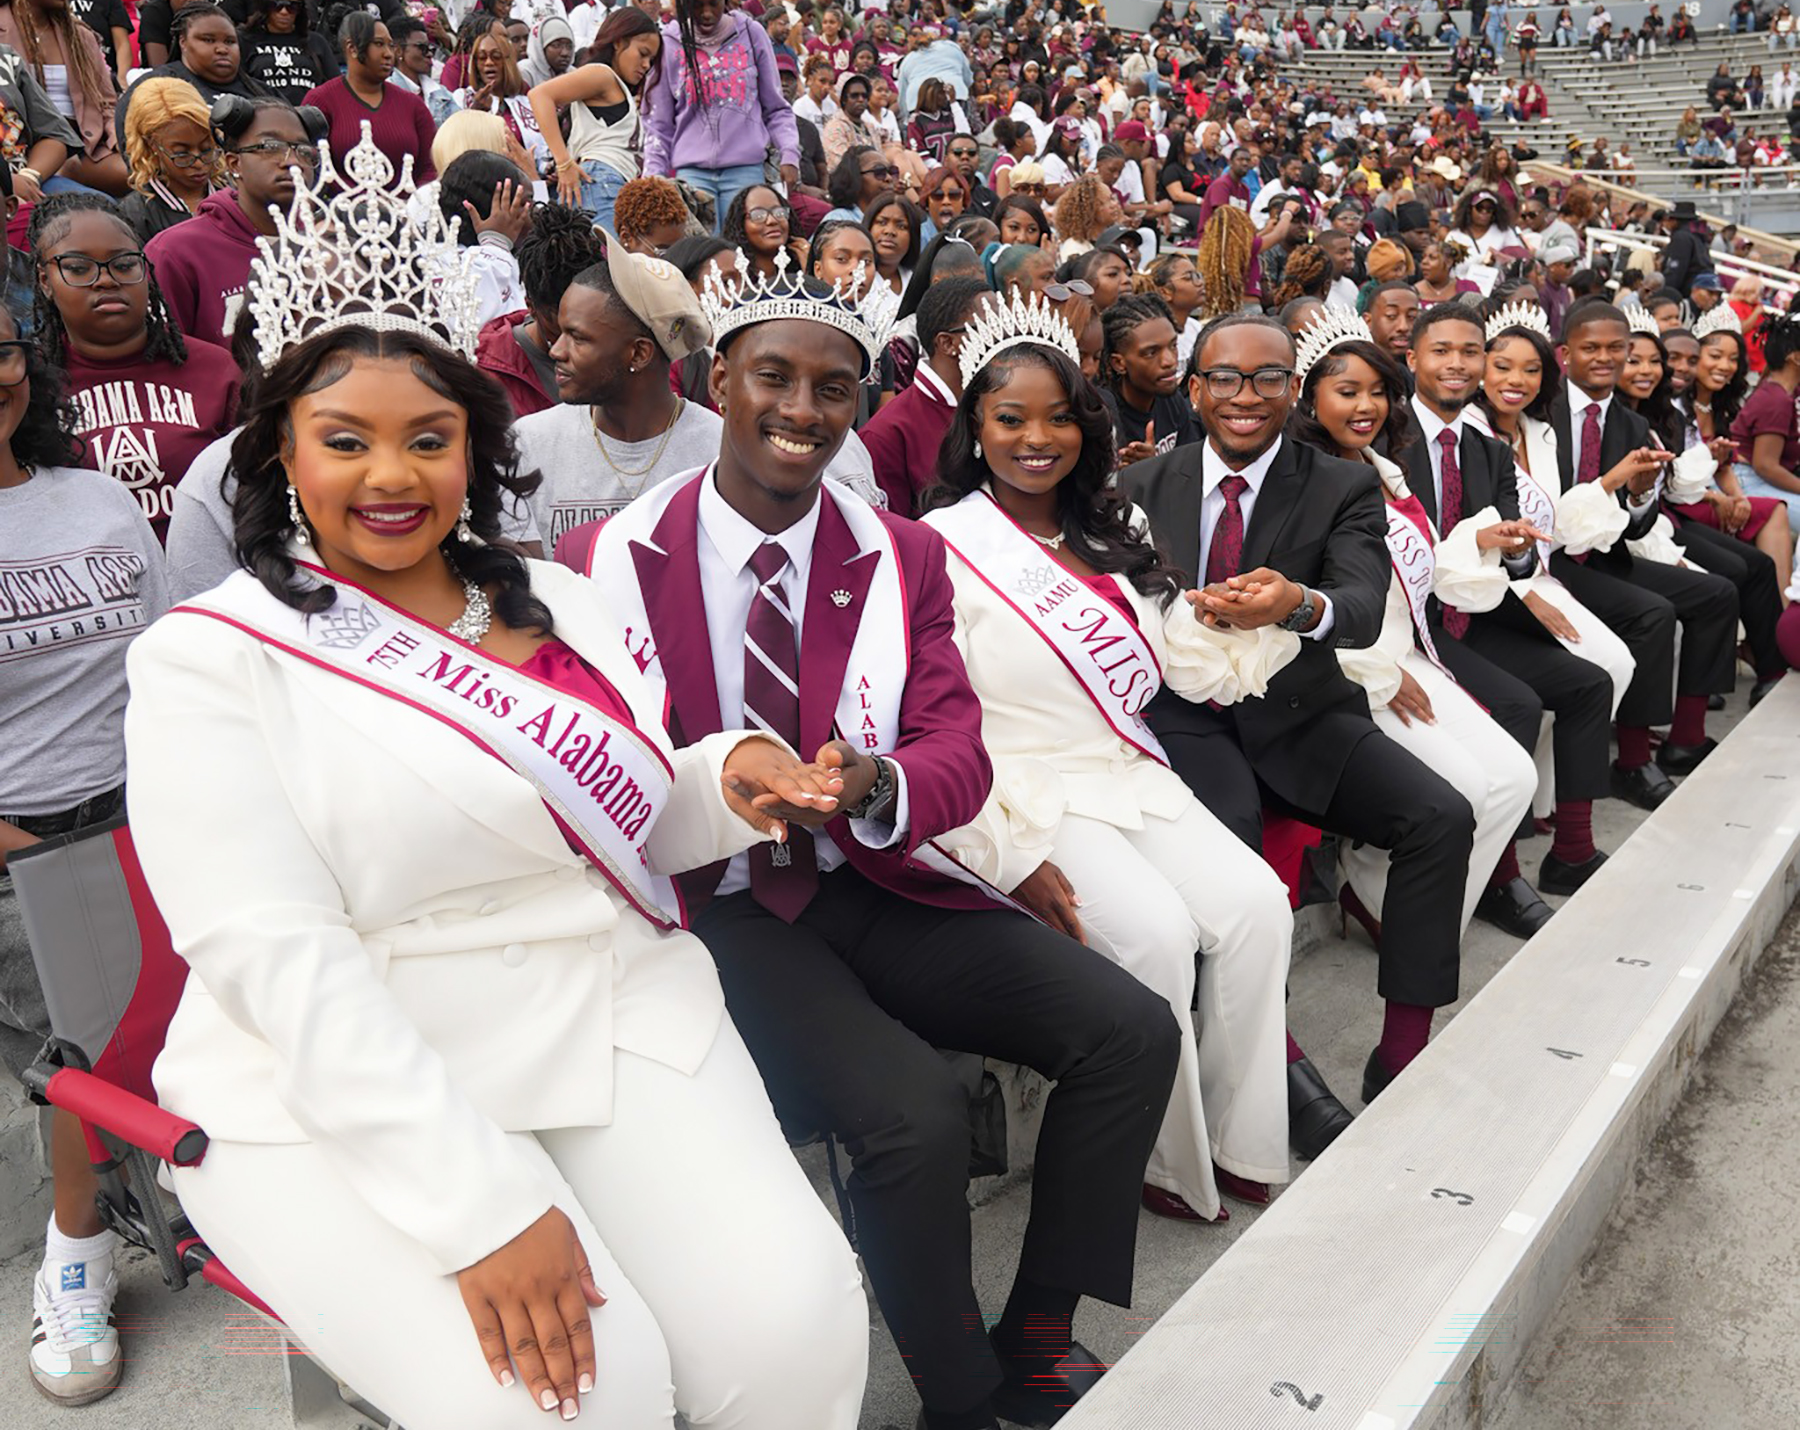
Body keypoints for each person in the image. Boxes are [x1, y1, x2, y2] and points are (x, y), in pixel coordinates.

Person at [125, 128, 869, 1430]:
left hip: (609, 1004)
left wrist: (724, 777)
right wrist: (480, 1213)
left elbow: (619, 815)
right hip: (341, 1063)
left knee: (795, 1338)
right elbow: (277, 956)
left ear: (474, 447)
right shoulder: (210, 660)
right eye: (345, 439)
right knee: (585, 1391)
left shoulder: (566, 606)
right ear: (284, 455)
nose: (393, 475)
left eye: (429, 437)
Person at [583, 262, 1180, 1430]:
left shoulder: (899, 553)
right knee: (910, 1112)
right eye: (774, 378)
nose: (803, 410)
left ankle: (1040, 1327)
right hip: (724, 904)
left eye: (835, 388)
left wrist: (880, 779)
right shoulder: (614, 558)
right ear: (719, 382)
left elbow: (958, 745)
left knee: (1130, 1028)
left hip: (869, 866)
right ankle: (960, 1402)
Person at [919, 290, 1296, 1222]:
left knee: (1258, 907)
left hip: (1127, 769)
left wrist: (1225, 616)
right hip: (1029, 791)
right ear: (976, 426)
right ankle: (1160, 1159)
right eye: (1011, 418)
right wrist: (1012, 852)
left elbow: (1180, 666)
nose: (1037, 438)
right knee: (1159, 937)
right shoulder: (938, 545)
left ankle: (1245, 1140)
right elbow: (938, 715)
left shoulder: (1112, 526)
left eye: (1058, 417)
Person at [1123, 313, 1485, 1117]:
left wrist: (1297, 604)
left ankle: (1402, 1054)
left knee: (1442, 815)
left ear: (1294, 388)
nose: (1245, 396)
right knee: (1240, 854)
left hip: (1305, 714)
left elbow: (1357, 607)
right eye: (1224, 378)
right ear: (1195, 388)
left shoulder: (1342, 483)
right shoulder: (1144, 484)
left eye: (1268, 378)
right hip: (1191, 721)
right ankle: (1276, 1060)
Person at [1, 308, 168, 1409]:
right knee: (79, 1056)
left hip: (150, 814)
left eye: (0, 351)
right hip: (18, 846)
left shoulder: (99, 495)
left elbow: (167, 648)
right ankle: (78, 1259)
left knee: (171, 1033)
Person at [1288, 311, 1539, 942]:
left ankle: (1411, 905)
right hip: (1350, 670)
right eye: (1348, 392)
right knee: (1469, 787)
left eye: (1378, 391)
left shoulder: (1384, 468)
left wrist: (1481, 541)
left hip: (1414, 654)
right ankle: (1382, 903)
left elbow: (1419, 569)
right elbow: (1301, 604)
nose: (1366, 405)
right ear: (1310, 397)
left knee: (1514, 779)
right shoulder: (1295, 478)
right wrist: (1380, 671)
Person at [1402, 302, 1618, 919]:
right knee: (1518, 702)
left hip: (1470, 615)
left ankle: (1572, 849)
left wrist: (1520, 556)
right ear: (1413, 357)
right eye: (1442, 350)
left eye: (1469, 352)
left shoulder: (1489, 450)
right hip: (1405, 626)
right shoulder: (1384, 434)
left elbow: (1505, 552)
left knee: (1587, 683)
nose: (1457, 364)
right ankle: (1499, 876)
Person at [1549, 301, 1738, 788]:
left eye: (1617, 348)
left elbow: (1636, 527)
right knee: (1652, 613)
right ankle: (1633, 759)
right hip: (1550, 561)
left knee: (1717, 593)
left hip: (1606, 556)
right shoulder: (1538, 408)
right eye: (1591, 348)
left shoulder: (1632, 425)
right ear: (1565, 353)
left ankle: (1686, 737)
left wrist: (1637, 495)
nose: (1605, 358)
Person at [31, 192, 239, 540]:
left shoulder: (216, 369)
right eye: (79, 268)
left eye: (124, 264)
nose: (106, 280)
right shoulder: (29, 384)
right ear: (44, 280)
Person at [515, 238, 722, 554]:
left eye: (578, 338)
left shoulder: (719, 453)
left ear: (639, 353)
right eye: (559, 333)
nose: (556, 351)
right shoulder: (527, 445)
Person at [144, 94, 318, 349]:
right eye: (270, 147)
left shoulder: (329, 245)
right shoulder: (175, 251)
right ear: (233, 163)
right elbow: (166, 355)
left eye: (304, 151)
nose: (292, 162)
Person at [644, 0, 796, 234]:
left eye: (713, 4)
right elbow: (658, 124)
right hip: (692, 175)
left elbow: (776, 108)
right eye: (697, 5)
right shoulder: (669, 43)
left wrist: (789, 152)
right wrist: (654, 176)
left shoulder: (751, 33)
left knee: (744, 256)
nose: (706, 13)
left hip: (746, 170)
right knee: (702, 258)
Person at [860, 276, 985, 516]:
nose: (1003, 338)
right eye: (989, 328)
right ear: (948, 343)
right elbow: (894, 531)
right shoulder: (887, 433)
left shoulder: (996, 405)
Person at [530, 5, 661, 234]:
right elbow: (540, 95)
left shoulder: (612, 84)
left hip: (606, 185)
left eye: (651, 59)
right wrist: (564, 163)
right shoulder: (602, 74)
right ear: (618, 42)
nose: (646, 65)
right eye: (642, 53)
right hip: (601, 183)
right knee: (610, 268)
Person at [473, 199, 605, 419]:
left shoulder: (617, 344)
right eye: (559, 327)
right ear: (530, 306)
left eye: (584, 328)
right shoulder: (489, 371)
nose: (565, 347)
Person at [0, 0, 125, 195]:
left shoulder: (79, 34)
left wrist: (119, 139)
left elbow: (107, 103)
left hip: (85, 145)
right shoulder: (3, 30)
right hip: (29, 147)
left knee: (142, 174)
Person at [115, 3, 272, 151]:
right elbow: (133, 147)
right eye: (208, 40)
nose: (222, 49)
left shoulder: (263, 92)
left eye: (230, 41)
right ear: (183, 42)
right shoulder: (156, 86)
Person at [303, 13, 436, 182]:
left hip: (406, 206)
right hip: (340, 206)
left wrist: (413, 204)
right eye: (379, 44)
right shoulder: (321, 101)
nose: (389, 54)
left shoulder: (413, 105)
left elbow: (429, 168)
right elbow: (309, 166)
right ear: (352, 48)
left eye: (391, 46)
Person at [116, 75, 225, 242]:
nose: (198, 163)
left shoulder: (233, 195)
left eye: (207, 149)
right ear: (151, 146)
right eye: (182, 154)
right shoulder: (134, 215)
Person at [1101, 293, 1199, 464]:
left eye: (1173, 346)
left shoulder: (1172, 400)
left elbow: (1191, 470)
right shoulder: (1103, 416)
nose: (1169, 361)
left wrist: (1155, 466)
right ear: (1119, 363)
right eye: (1151, 353)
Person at [1730, 311, 1800, 529]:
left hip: (1754, 477)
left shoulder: (1781, 391)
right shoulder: (1776, 400)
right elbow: (1765, 465)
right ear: (1795, 357)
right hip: (1747, 481)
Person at [451, 18, 546, 173]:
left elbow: (540, 153)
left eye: (496, 56)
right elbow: (453, 146)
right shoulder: (461, 98)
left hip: (527, 181)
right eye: (482, 58)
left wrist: (547, 169)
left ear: (507, 62)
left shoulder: (525, 103)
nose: (488, 63)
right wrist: (475, 111)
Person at [237, 0, 335, 106]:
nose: (284, 12)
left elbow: (335, 85)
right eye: (276, 6)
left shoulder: (316, 41)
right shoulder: (245, 40)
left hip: (311, 115)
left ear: (299, 10)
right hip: (264, 113)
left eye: (292, 7)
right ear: (265, 7)